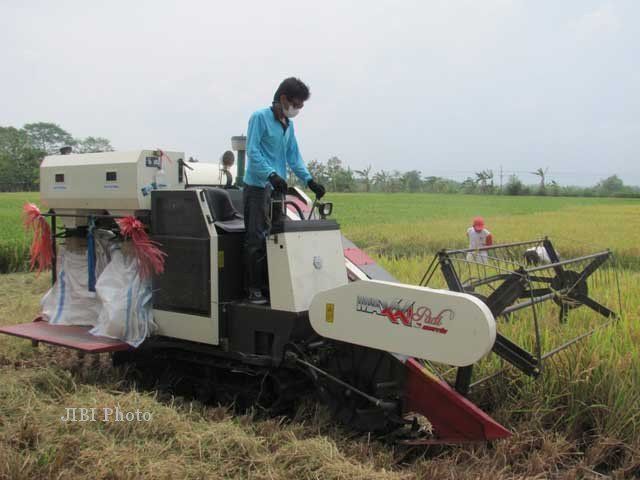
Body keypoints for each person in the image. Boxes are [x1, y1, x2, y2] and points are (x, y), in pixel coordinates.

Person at [243, 77, 326, 304]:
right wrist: (270, 174)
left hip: (277, 188)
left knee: (277, 237)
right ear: (283, 99)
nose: (297, 109)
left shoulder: (288, 126)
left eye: (300, 106)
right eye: (296, 104)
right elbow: (253, 151)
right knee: (256, 237)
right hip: (258, 186)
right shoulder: (259, 118)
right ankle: (254, 289)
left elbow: (293, 156)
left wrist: (309, 181)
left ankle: (274, 285)